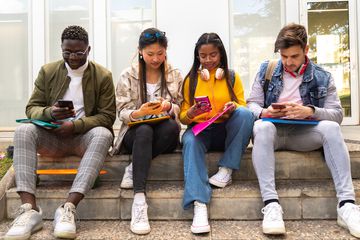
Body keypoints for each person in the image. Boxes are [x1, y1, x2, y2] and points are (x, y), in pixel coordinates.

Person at [247, 23, 360, 238]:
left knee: (332, 128)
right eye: (284, 56)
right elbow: (251, 106)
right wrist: (265, 112)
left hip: (304, 136)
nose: (288, 62)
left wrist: (310, 110)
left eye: (294, 56)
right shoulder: (266, 69)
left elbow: (337, 114)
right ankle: (271, 205)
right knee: (261, 126)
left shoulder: (322, 76)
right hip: (273, 134)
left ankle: (347, 205)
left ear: (306, 51)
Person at [5, 25, 116, 240]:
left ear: (88, 49)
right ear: (61, 49)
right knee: (23, 130)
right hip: (52, 137)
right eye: (67, 52)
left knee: (104, 134)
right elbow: (31, 108)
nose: (72, 57)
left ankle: (68, 208)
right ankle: (29, 210)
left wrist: (76, 125)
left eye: (78, 52)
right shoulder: (48, 71)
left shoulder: (102, 76)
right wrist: (49, 113)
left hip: (82, 138)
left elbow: (107, 116)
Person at [110, 28, 183, 235]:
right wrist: (138, 113)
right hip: (134, 133)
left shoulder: (174, 74)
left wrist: (169, 107)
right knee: (144, 130)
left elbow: (181, 107)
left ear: (166, 51)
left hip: (164, 133)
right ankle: (139, 201)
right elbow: (122, 111)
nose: (156, 58)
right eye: (150, 54)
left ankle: (135, 167)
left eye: (160, 53)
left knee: (171, 126)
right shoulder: (128, 74)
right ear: (140, 51)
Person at [180, 33, 254, 234]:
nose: (208, 60)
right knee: (189, 142)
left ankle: (227, 170)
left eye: (213, 55)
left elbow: (243, 105)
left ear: (220, 54)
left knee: (246, 114)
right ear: (197, 57)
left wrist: (233, 106)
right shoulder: (191, 80)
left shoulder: (231, 76)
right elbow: (182, 117)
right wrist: (191, 112)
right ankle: (199, 204)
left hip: (225, 131)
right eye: (203, 56)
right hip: (200, 130)